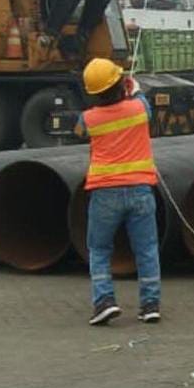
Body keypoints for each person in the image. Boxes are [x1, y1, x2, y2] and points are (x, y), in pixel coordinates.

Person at [75, 58, 162, 326]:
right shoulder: (139, 108)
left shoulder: (89, 119)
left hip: (105, 194)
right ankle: (150, 305)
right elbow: (146, 108)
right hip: (140, 191)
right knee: (146, 249)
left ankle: (104, 301)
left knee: (99, 249)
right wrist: (133, 89)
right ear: (120, 84)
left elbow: (78, 132)